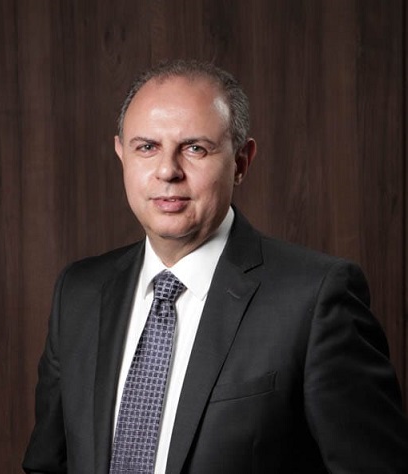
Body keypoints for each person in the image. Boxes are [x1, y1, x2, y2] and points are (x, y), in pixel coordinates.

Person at [23, 59, 408, 474]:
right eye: (146, 147)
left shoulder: (315, 300)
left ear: (241, 161)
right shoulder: (78, 293)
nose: (168, 171)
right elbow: (47, 464)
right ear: (121, 154)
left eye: (195, 148)